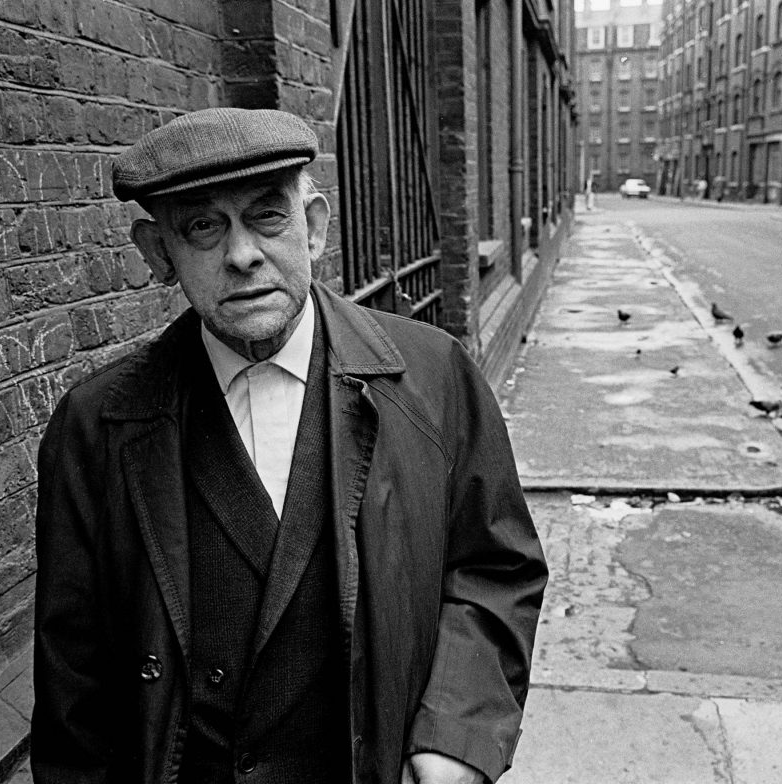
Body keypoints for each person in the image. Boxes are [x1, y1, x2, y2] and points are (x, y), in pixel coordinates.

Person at [31, 107, 547, 784]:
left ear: (314, 227)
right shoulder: (97, 426)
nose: (242, 255)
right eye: (203, 226)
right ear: (158, 252)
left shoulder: (431, 378)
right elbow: (73, 678)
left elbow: (494, 567)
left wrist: (456, 734)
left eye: (267, 216)